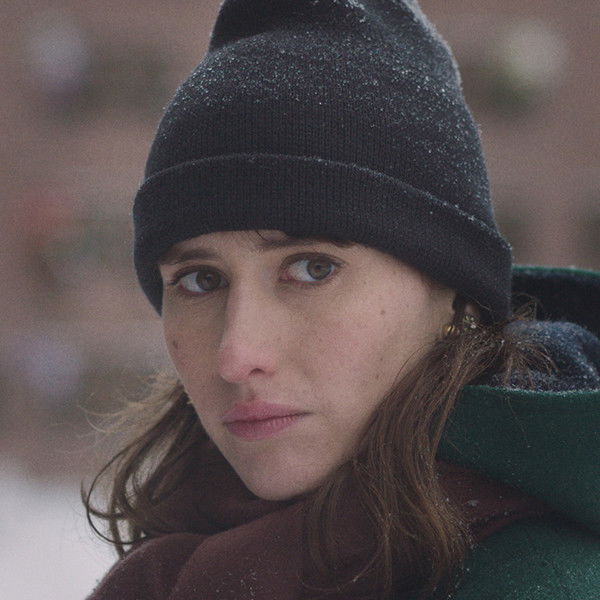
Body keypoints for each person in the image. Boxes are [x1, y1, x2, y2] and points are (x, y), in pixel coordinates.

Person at [84, 1, 600, 598]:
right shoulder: (182, 556)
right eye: (200, 280)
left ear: (454, 291)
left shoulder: (538, 584)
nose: (236, 355)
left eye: (312, 268)